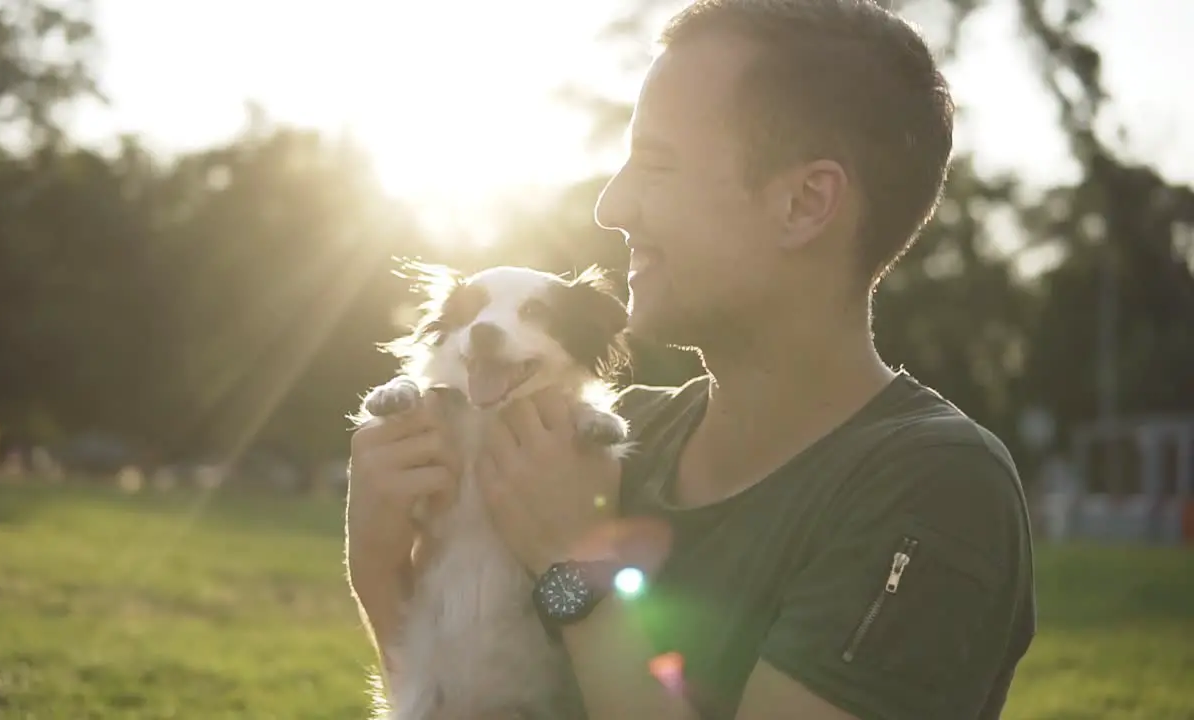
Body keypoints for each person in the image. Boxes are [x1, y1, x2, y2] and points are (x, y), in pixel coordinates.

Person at [345, 0, 1037, 718]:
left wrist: (573, 568)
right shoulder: (599, 437)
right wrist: (377, 566)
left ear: (804, 202)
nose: (611, 207)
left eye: (655, 165)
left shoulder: (937, 488)